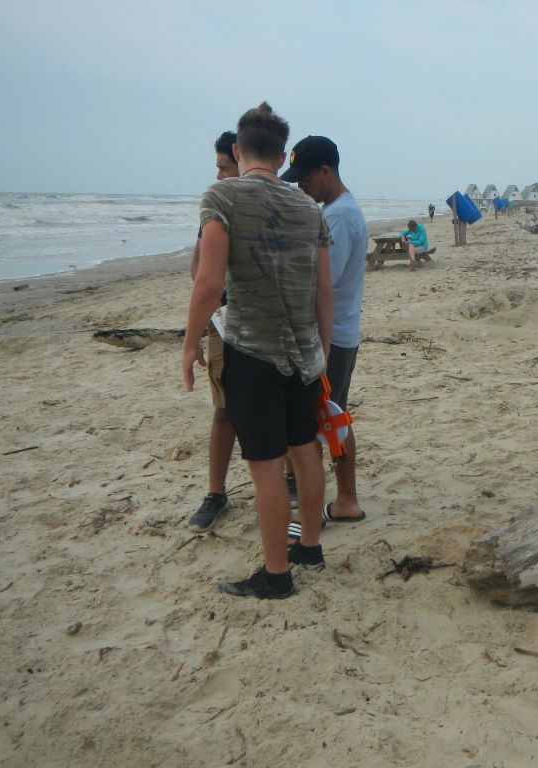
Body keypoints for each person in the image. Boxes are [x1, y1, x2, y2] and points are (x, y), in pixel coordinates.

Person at [182, 102, 334, 599]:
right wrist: (322, 353)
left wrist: (188, 344)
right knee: (305, 448)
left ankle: (275, 576)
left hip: (252, 350)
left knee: (267, 463)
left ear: (236, 150)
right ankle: (309, 548)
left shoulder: (221, 196)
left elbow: (208, 282)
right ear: (278, 151)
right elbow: (323, 292)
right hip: (305, 355)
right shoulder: (309, 208)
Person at [280, 135, 367, 526]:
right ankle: (346, 501)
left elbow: (321, 286)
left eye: (305, 178)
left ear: (326, 172)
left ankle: (325, 509)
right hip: (339, 333)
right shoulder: (342, 210)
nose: (301, 186)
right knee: (334, 416)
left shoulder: (337, 217)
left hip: (328, 338)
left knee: (315, 424)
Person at [186, 131, 239, 533]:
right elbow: (198, 272)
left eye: (224, 167)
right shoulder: (216, 210)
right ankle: (216, 492)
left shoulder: (269, 206)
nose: (219, 175)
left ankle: (290, 480)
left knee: (281, 412)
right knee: (224, 411)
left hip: (266, 325)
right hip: (224, 325)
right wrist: (204, 326)